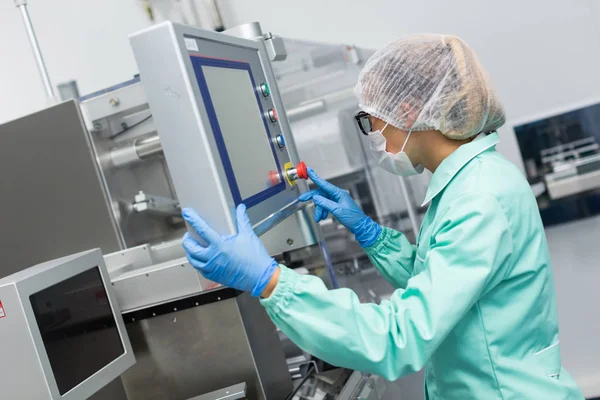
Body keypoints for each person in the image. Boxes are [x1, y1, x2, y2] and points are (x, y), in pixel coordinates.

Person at [181, 34, 584, 399]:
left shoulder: (479, 199)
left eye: (369, 119)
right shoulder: (474, 183)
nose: (373, 135)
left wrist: (270, 282)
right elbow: (442, 284)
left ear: (407, 112)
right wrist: (371, 234)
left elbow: (399, 338)